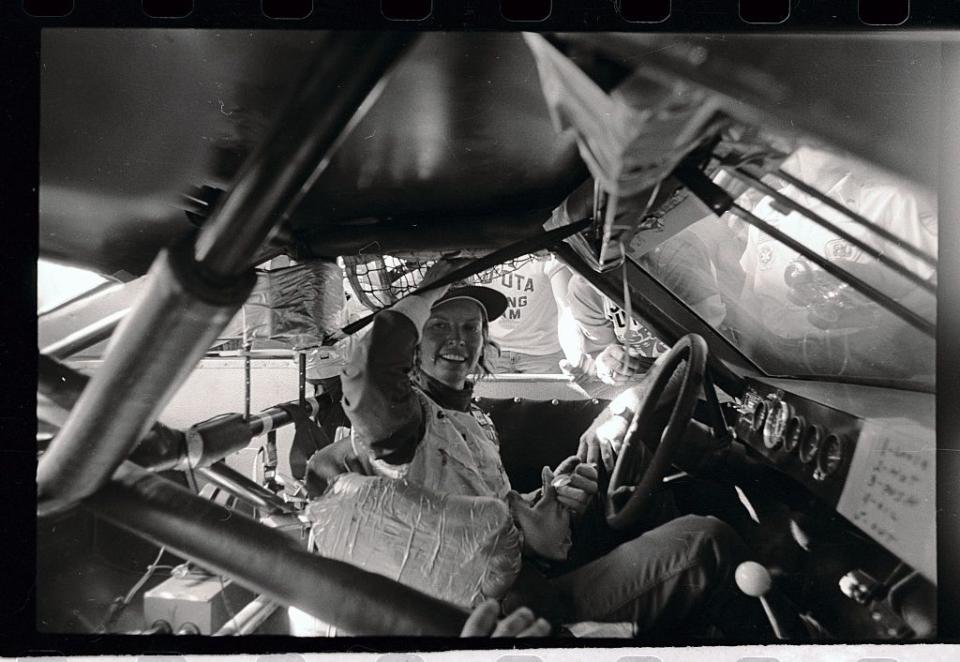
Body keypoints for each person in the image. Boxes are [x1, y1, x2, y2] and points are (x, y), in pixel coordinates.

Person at [312, 258, 768, 638]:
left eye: (471, 328)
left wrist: (555, 496)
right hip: (505, 619)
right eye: (440, 327)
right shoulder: (406, 425)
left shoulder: (474, 419)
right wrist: (440, 281)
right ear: (413, 346)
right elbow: (369, 377)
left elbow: (489, 515)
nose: (459, 340)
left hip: (527, 584)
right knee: (705, 542)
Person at [480, 252, 571, 374]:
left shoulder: (547, 253)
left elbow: (566, 309)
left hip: (543, 352)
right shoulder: (476, 249)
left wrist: (573, 354)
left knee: (546, 393)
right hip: (493, 350)